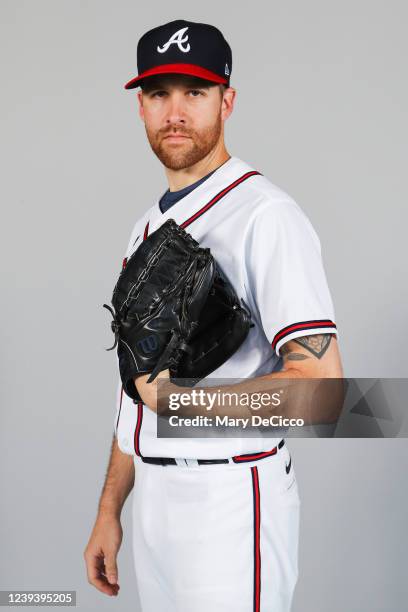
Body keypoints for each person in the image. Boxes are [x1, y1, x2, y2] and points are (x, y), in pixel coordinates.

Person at [84, 19, 344, 612]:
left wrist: (180, 404)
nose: (175, 111)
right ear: (141, 108)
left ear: (226, 101)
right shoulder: (146, 225)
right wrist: (108, 510)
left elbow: (325, 393)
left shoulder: (266, 215)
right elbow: (136, 387)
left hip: (232, 496)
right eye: (159, 93)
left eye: (194, 92)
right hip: (154, 499)